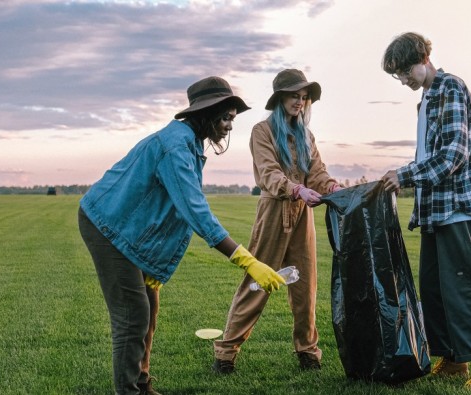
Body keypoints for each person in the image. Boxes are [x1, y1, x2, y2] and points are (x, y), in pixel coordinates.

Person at [79, 76, 285, 395]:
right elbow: (194, 211)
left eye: (232, 118)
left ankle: (143, 384)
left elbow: (167, 211)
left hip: (129, 229)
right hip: (107, 225)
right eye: (226, 117)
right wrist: (247, 261)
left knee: (149, 307)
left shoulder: (189, 143)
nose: (230, 125)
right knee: (133, 317)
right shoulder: (175, 145)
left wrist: (154, 265)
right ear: (206, 113)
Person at [379, 32, 471, 388]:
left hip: (457, 208)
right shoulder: (427, 99)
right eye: (397, 76)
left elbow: (453, 154)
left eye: (404, 72)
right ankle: (452, 360)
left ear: (423, 58)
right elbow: (429, 156)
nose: (402, 80)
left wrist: (404, 176)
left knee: (463, 288)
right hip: (434, 210)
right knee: (434, 289)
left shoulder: (450, 88)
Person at [213, 69, 341, 373]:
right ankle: (226, 352)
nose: (300, 101)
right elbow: (268, 173)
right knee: (258, 282)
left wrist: (332, 187)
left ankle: (308, 350)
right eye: (295, 96)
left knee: (305, 285)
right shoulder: (262, 131)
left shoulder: (306, 135)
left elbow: (318, 172)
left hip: (302, 216)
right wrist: (296, 188)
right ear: (280, 98)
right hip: (273, 211)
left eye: (304, 97)